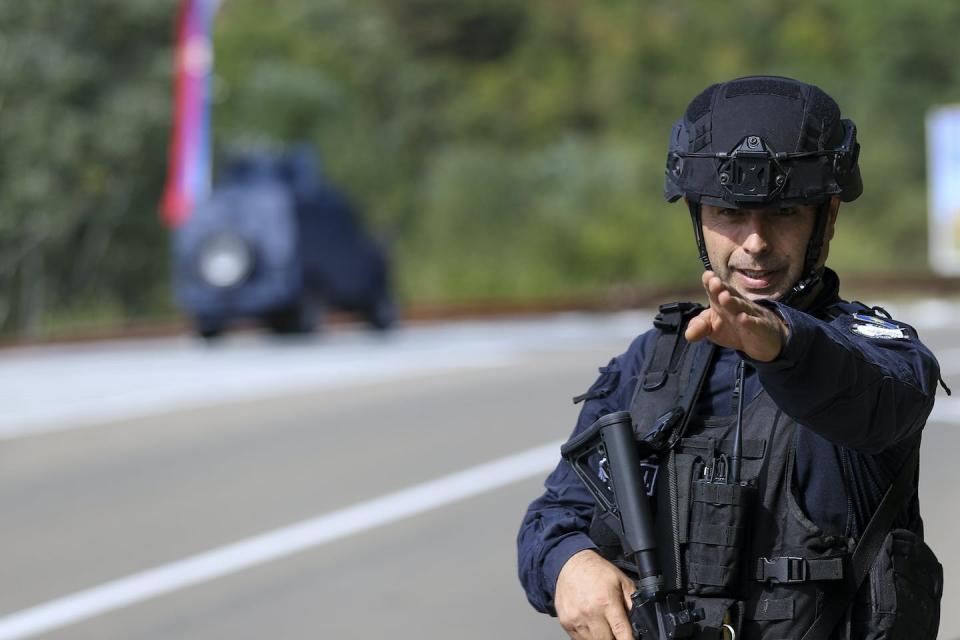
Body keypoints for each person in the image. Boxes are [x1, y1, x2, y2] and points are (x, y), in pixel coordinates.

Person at [517, 76, 946, 639]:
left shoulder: (876, 352)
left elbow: (876, 404)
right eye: (729, 213)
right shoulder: (652, 363)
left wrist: (785, 345)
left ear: (829, 216)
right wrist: (570, 563)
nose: (755, 242)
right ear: (697, 215)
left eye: (785, 213)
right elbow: (554, 517)